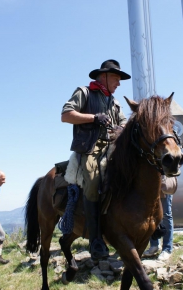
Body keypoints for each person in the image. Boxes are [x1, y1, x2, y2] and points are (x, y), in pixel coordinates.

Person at [61, 59, 130, 260]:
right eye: (116, 79)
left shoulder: (115, 103)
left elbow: (125, 124)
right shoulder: (84, 92)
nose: (118, 84)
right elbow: (66, 115)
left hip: (113, 148)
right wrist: (94, 118)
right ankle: (96, 241)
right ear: (104, 76)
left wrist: (121, 129)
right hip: (90, 149)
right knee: (92, 182)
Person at [143, 176, 176, 261]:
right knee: (152, 215)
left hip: (164, 181)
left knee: (166, 215)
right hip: (151, 183)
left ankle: (167, 249)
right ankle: (154, 245)